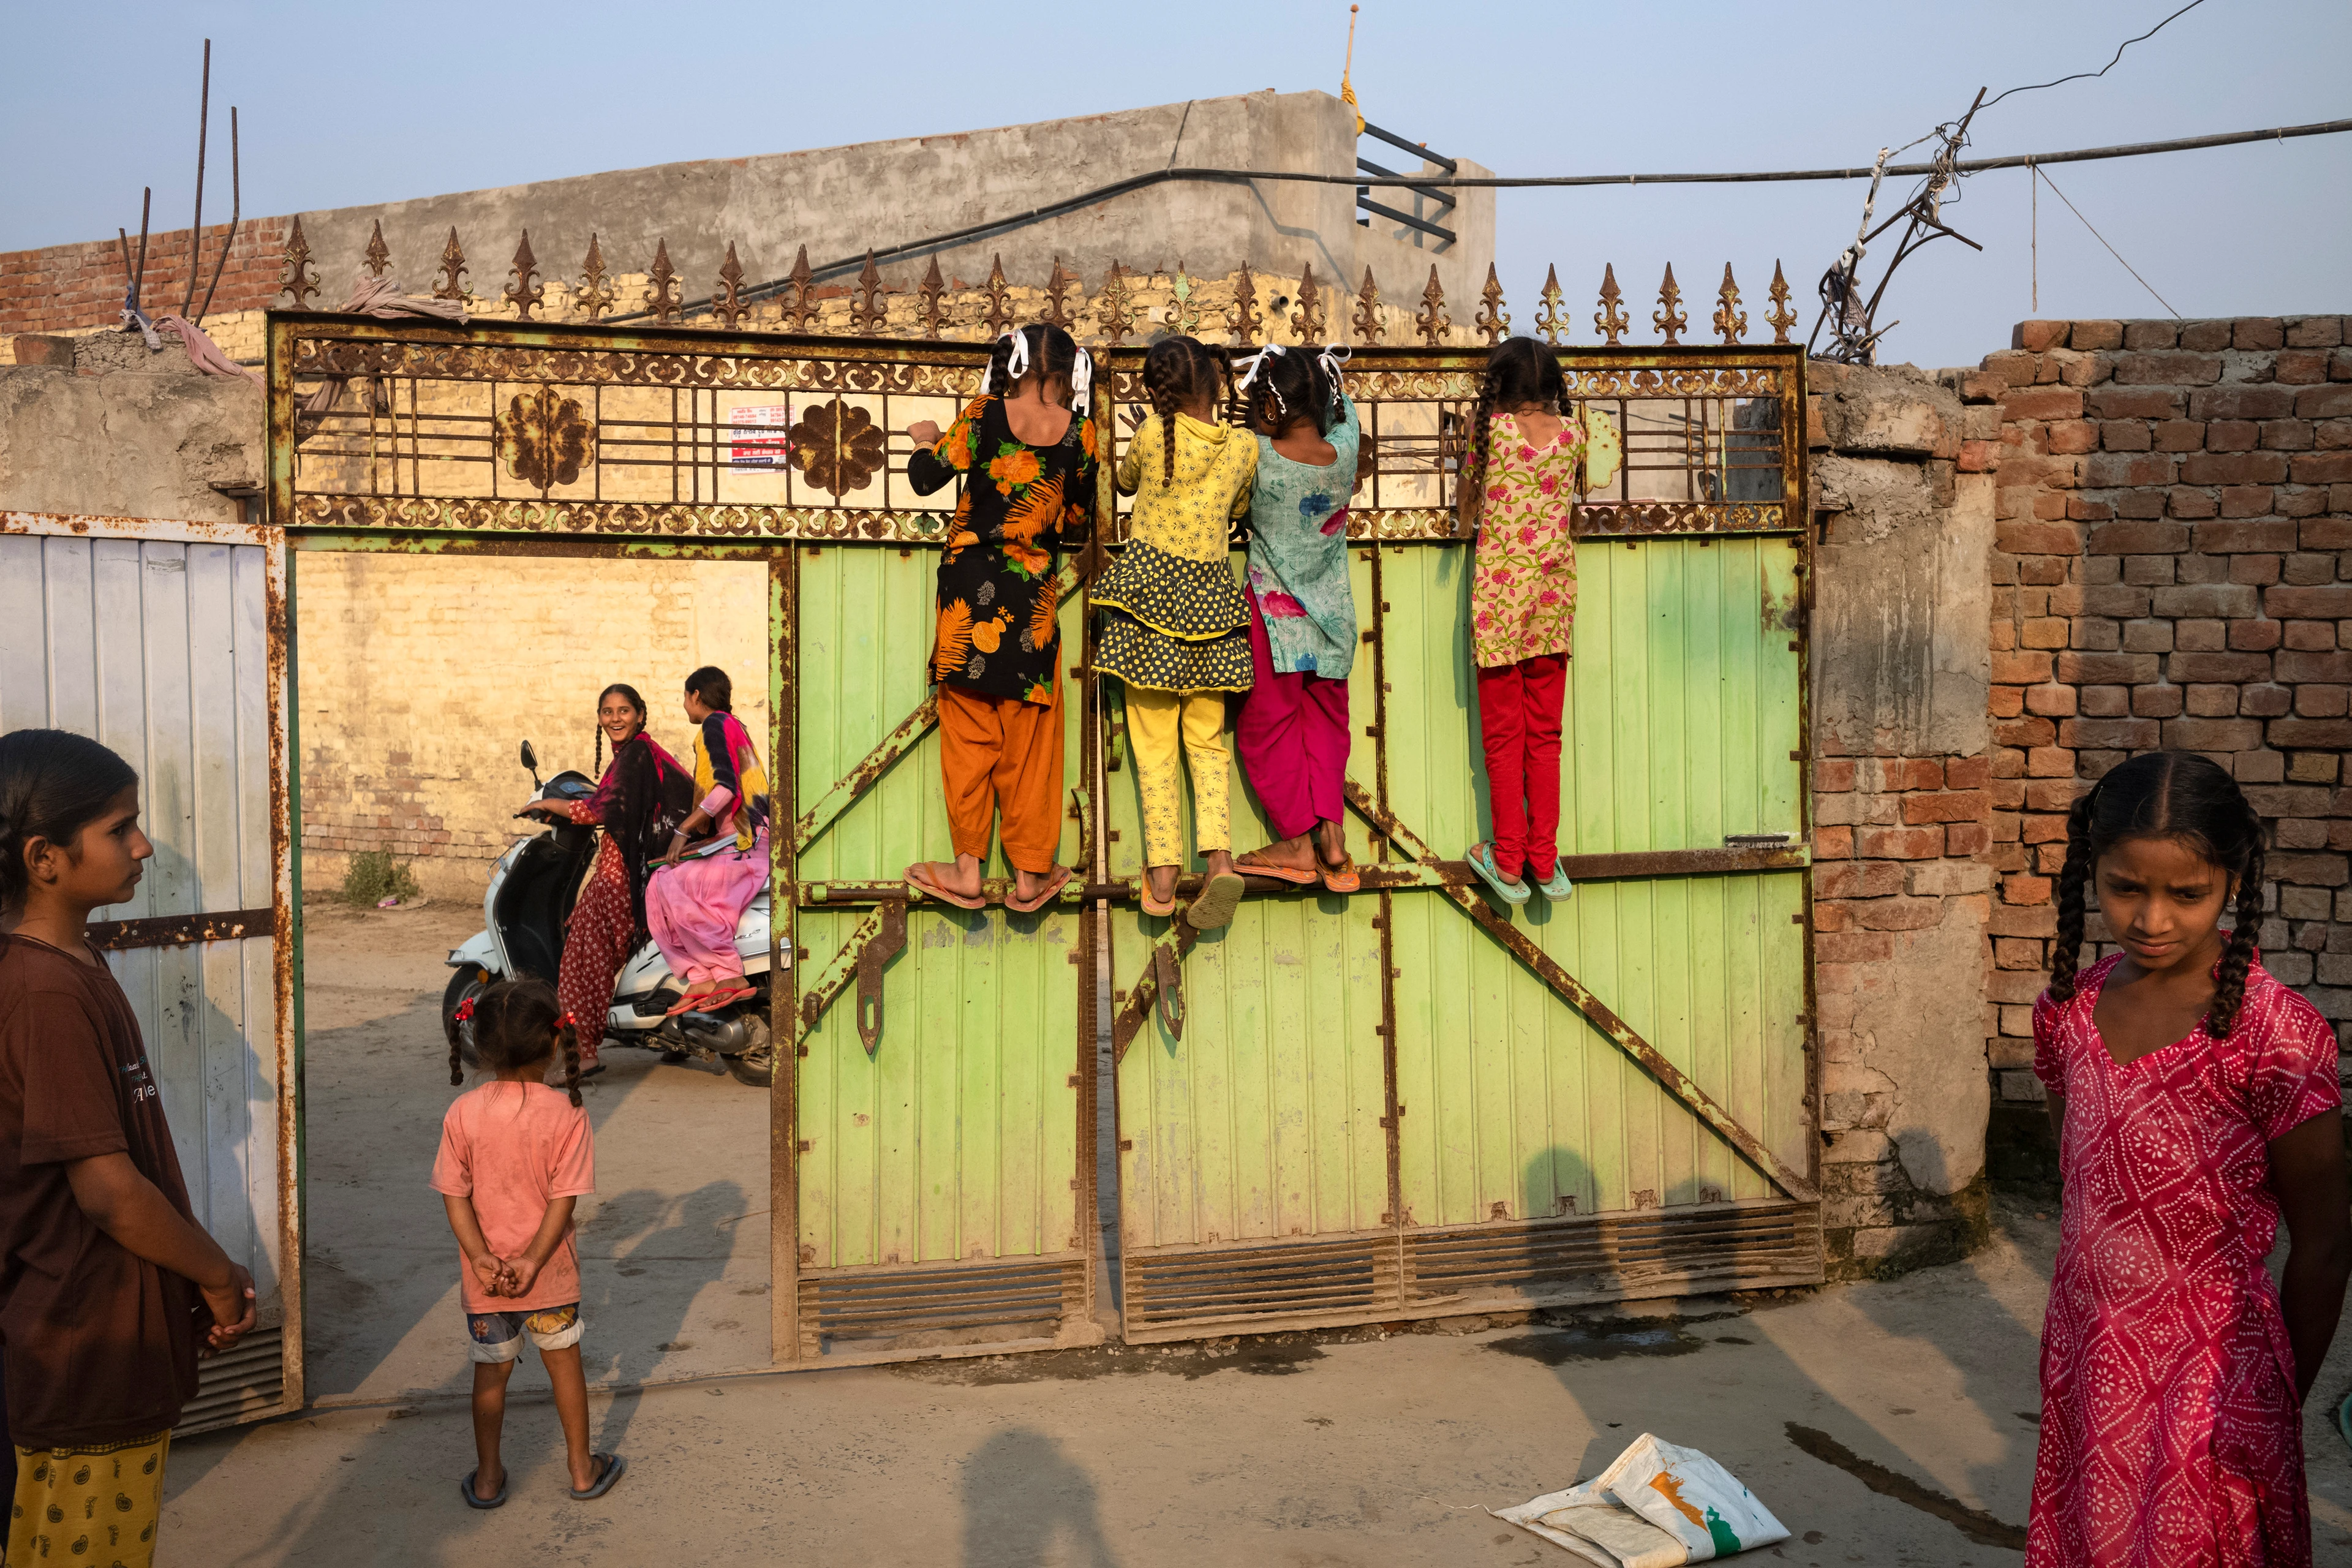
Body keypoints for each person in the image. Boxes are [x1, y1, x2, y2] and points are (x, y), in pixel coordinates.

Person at [2029, 750, 2350, 1567]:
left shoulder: (2274, 1034)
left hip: (2211, 1382)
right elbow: (2079, 1178)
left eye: (2187, 893)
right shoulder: (2068, 1011)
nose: (2153, 919)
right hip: (2089, 1354)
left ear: (2233, 883)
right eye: (2126, 887)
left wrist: (2275, 1401)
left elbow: (2325, 1239)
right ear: (2090, 874)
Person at [1, 728, 257, 1568]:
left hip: (101, 1336)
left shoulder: (74, 960)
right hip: (82, 1351)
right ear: (45, 857)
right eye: (120, 828)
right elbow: (108, 1191)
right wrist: (216, 1272)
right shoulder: (42, 990)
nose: (143, 845)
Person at [901, 323, 1101, 916]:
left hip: (966, 589)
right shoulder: (1081, 435)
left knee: (968, 733)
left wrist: (925, 439)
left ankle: (966, 870)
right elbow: (1075, 522)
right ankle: (1030, 875)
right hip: (1031, 597)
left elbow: (924, 478)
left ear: (1011, 367)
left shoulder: (984, 414)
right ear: (1069, 374)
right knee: (1030, 737)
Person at [1090, 334, 1257, 927]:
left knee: (1154, 745)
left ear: (1157, 393)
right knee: (1207, 744)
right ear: (1217, 387)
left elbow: (1127, 481)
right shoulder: (1243, 445)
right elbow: (1240, 512)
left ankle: (1162, 876)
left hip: (1150, 608)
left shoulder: (1152, 435)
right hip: (1211, 609)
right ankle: (1219, 860)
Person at [435, 976, 619, 1506]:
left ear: (481, 1046)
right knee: (565, 1366)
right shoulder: (568, 1115)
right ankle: (582, 1470)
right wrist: (534, 1261)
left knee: (489, 1375)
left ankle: (489, 1477)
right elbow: (565, 1201)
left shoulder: (462, 1113)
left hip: (486, 1279)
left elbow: (455, 1197)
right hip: (550, 1275)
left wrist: (482, 1258)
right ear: (555, 1042)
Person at [1231, 343, 1365, 894]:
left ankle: (1294, 843)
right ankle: (1333, 839)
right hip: (1335, 619)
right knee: (1328, 724)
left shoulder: (1258, 456)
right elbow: (1346, 411)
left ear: (1269, 404)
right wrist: (1322, 377)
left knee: (1266, 728)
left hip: (1275, 622)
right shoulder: (1346, 453)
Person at [1457, 336, 1586, 907]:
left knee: (1503, 737)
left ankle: (1507, 860)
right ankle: (1542, 855)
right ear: (1555, 388)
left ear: (1498, 393)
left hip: (1500, 609)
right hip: (1552, 609)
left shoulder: (1491, 433)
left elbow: (1467, 500)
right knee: (1546, 738)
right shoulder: (1574, 437)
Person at [521, 684, 692, 1071]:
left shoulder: (634, 756)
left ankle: (584, 1052)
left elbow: (600, 810)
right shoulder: (644, 753)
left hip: (620, 877)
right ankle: (675, 1035)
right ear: (600, 718)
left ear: (641, 715)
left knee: (582, 961)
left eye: (624, 711)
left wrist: (548, 804)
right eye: (608, 712)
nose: (615, 718)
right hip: (648, 872)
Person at [644, 668, 769, 1014]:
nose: (685, 706)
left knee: (668, 883)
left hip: (748, 842)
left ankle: (728, 971)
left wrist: (683, 831)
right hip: (747, 841)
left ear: (696, 695)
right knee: (659, 885)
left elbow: (726, 787)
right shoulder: (733, 725)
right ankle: (699, 976)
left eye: (685, 698)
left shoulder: (714, 724)